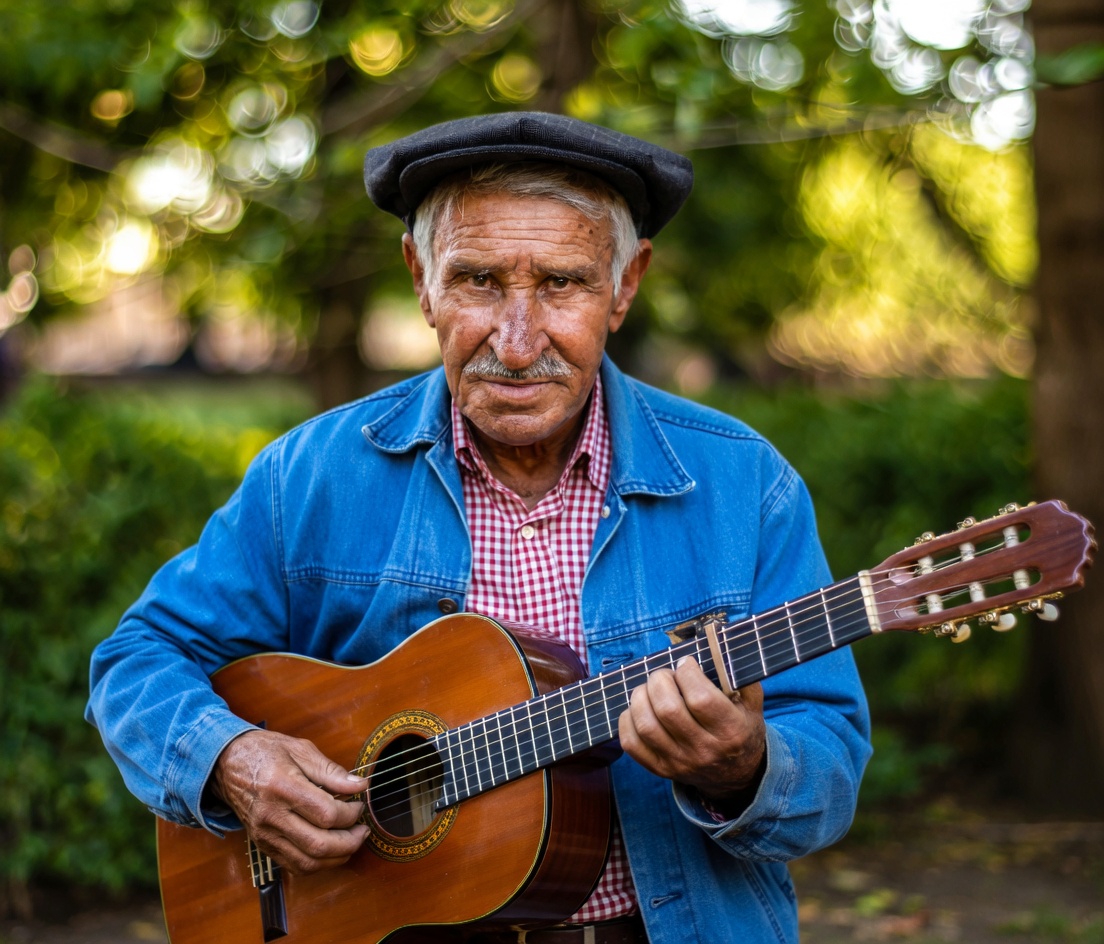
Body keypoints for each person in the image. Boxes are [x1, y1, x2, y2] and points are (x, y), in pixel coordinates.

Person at [87, 112, 870, 944]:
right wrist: (232, 759)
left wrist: (744, 768)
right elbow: (136, 662)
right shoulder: (310, 477)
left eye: (562, 283)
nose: (519, 343)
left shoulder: (743, 485)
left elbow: (827, 757)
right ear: (421, 280)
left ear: (625, 285)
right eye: (479, 281)